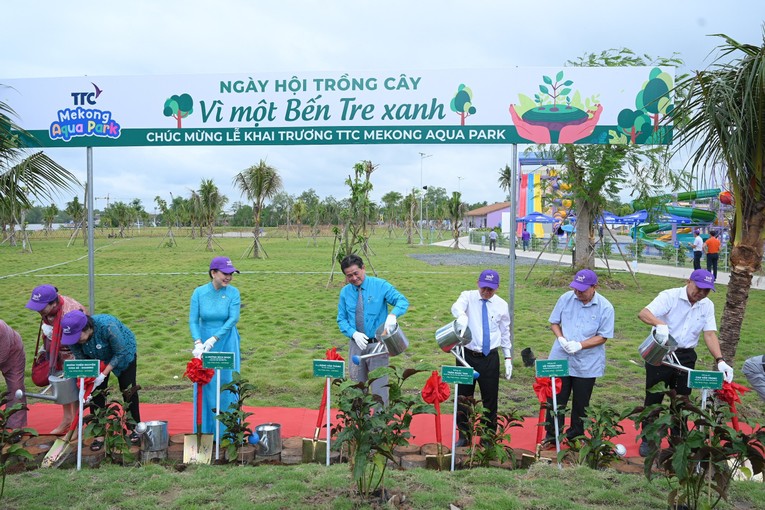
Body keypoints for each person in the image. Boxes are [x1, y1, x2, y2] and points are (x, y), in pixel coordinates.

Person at [637, 268, 734, 457]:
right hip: (662, 352)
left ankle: (677, 441)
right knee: (654, 399)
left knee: (682, 401)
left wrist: (720, 360)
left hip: (687, 356)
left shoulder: (706, 305)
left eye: (706, 290)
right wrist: (660, 324)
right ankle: (648, 440)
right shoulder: (670, 296)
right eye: (699, 288)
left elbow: (710, 333)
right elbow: (644, 313)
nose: (701, 293)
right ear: (689, 281)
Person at [541, 269, 614, 446]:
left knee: (581, 402)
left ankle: (575, 435)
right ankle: (552, 435)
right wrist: (561, 338)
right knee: (556, 398)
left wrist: (580, 345)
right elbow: (554, 322)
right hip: (561, 357)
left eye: (582, 290)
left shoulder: (605, 307)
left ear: (594, 287)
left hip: (587, 362)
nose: (578, 293)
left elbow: (603, 336)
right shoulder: (566, 298)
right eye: (576, 289)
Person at [60, 310, 141, 451]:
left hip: (123, 353)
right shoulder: (73, 338)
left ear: (86, 328)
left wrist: (103, 374)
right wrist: (89, 379)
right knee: (96, 394)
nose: (75, 341)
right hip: (95, 359)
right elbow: (82, 358)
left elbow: (120, 352)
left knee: (128, 390)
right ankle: (99, 433)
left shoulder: (107, 326)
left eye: (77, 337)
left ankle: (134, 427)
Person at [337, 254, 408, 407]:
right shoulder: (345, 293)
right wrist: (353, 333)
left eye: (356, 273)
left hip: (378, 347)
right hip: (357, 346)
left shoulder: (380, 285)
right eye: (349, 276)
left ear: (363, 268)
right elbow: (341, 319)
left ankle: (379, 428)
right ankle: (359, 425)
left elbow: (402, 301)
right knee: (357, 388)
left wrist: (393, 316)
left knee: (380, 390)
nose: (354, 278)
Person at [451, 269, 512, 446]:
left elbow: (505, 331)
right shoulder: (468, 297)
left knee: (490, 398)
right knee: (463, 397)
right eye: (484, 288)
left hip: (489, 357)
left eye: (491, 289)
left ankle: (488, 436)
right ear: (478, 283)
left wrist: (508, 357)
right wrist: (461, 316)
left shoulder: (501, 305)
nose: (486, 292)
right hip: (466, 356)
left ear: (497, 288)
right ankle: (464, 435)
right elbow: (456, 306)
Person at [189, 256, 242, 434]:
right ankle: (206, 431)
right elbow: (193, 320)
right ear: (213, 273)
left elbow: (233, 319)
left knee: (227, 381)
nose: (229, 277)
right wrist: (198, 342)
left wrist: (214, 339)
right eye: (225, 274)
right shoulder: (199, 293)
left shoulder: (234, 293)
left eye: (231, 274)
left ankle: (228, 431)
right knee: (206, 382)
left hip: (226, 340)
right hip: (204, 341)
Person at [25, 284, 85, 434]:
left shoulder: (71, 311)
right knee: (61, 382)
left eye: (41, 307)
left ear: (53, 303)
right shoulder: (49, 310)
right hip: (57, 350)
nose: (38, 310)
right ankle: (67, 418)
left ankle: (77, 424)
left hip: (75, 349)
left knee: (75, 385)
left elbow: (81, 336)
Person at [0, 320, 27, 429]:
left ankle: (16, 428)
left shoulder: (0, 329)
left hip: (13, 352)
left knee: (16, 388)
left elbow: (2, 355)